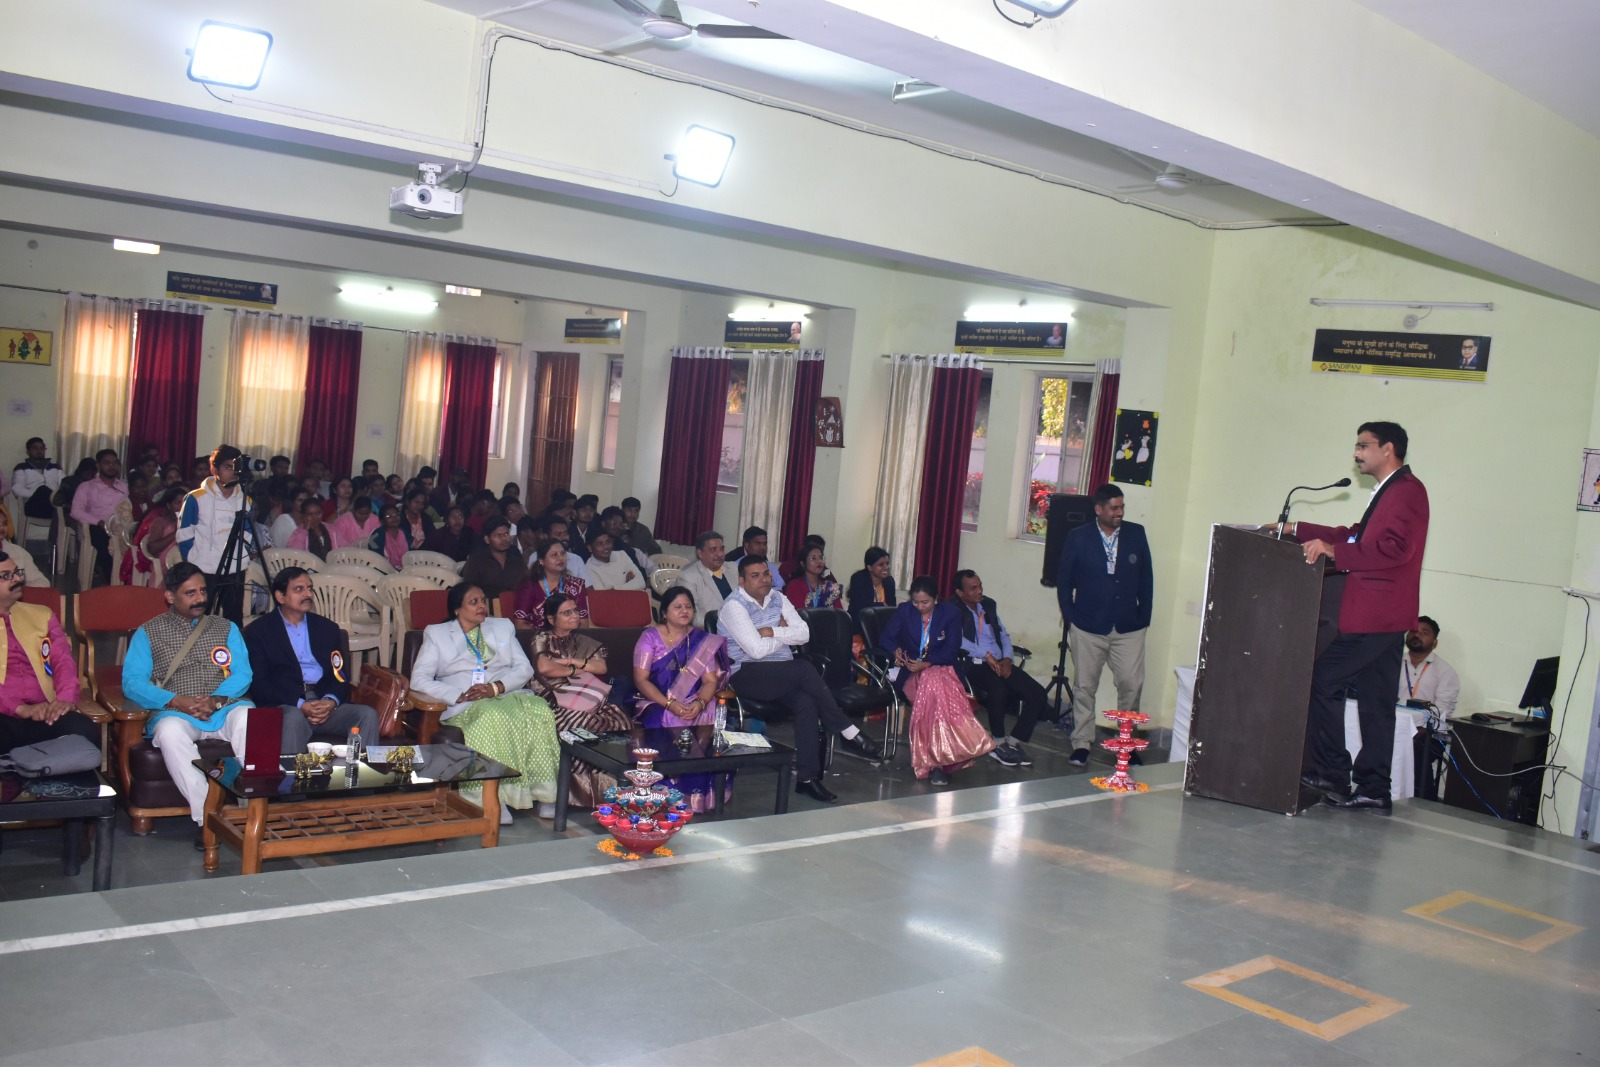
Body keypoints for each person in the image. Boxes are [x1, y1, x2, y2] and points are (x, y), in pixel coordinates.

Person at [1289, 421, 1429, 813]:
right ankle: (1374, 788)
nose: (1356, 453)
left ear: (1388, 448)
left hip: (1377, 614)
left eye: (1363, 445)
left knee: (1323, 680)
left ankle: (1333, 774)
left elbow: (1395, 548)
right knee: (1376, 704)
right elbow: (1356, 537)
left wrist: (1335, 552)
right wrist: (1297, 529)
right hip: (1384, 616)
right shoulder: (1390, 490)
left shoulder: (1407, 491)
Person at [719, 555, 883, 803]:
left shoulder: (778, 598)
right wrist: (785, 635)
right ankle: (846, 729)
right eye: (755, 576)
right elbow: (756, 651)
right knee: (805, 668)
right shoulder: (734, 606)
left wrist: (771, 631)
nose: (764, 580)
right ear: (741, 581)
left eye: (766, 574)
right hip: (746, 674)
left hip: (782, 673)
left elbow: (804, 634)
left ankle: (807, 779)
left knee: (806, 702)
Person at [409, 582, 560, 822]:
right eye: (474, 602)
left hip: (504, 693)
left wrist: (496, 687)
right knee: (493, 717)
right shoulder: (437, 634)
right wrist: (455, 694)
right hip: (466, 701)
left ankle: (544, 795)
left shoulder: (502, 627)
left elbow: (524, 668)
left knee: (539, 709)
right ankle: (493, 799)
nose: (482, 606)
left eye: (483, 600)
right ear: (457, 608)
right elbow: (419, 679)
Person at [121, 563, 253, 829]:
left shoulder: (226, 628)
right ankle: (208, 818)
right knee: (169, 732)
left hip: (223, 707)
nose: (200, 599)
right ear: (170, 596)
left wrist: (216, 700)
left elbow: (243, 673)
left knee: (250, 718)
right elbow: (132, 682)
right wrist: (174, 700)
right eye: (190, 593)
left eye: (203, 591)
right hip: (176, 711)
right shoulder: (149, 632)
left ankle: (253, 811)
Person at [1056, 483, 1153, 767]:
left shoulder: (1136, 534)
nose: (1120, 512)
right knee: (1085, 686)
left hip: (1128, 627)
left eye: (1122, 507)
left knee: (1132, 684)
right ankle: (1081, 743)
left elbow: (1146, 578)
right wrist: (1070, 615)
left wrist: (1144, 616)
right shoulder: (1078, 537)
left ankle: (1126, 744)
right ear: (1099, 509)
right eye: (1114, 508)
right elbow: (1064, 580)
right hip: (1088, 626)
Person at [243, 567, 380, 753]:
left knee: (367, 715)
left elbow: (340, 675)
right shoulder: (259, 631)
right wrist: (301, 704)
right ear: (280, 596)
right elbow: (260, 684)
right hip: (288, 704)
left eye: (309, 588)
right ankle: (291, 773)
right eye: (299, 589)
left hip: (324, 704)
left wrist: (331, 701)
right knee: (293, 718)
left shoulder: (327, 628)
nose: (307, 594)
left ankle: (362, 770)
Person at [878, 575, 993, 785]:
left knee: (933, 687)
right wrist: (896, 650)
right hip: (910, 673)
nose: (920, 607)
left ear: (936, 599)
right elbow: (886, 637)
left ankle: (935, 763)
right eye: (915, 602)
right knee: (934, 689)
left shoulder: (950, 614)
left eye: (925, 602)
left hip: (943, 669)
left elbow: (951, 650)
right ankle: (948, 756)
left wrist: (927, 664)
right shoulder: (905, 611)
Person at [631, 586, 731, 812]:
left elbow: (710, 681)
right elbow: (641, 680)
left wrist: (700, 703)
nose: (684, 611)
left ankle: (699, 794)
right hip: (656, 700)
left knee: (711, 715)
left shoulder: (701, 640)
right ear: (664, 613)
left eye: (688, 606)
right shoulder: (650, 637)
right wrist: (670, 704)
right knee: (664, 717)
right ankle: (667, 792)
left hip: (694, 700)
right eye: (678, 607)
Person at [529, 592, 633, 805]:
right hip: (553, 694)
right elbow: (545, 668)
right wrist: (576, 669)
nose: (574, 616)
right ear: (551, 619)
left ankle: (606, 791)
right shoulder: (542, 638)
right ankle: (570, 793)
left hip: (587, 693)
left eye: (575, 610)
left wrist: (572, 662)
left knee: (614, 719)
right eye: (566, 613)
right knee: (574, 722)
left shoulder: (584, 641)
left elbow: (601, 667)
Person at [0, 550, 99, 751]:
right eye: (6, 576)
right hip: (4, 714)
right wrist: (20, 709)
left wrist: (65, 699)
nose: (17, 579)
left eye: (17, 572)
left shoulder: (41, 615)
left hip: (44, 711)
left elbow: (62, 661)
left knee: (83, 731)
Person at [953, 570, 1046, 769]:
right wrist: (986, 655)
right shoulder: (953, 610)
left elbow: (1003, 635)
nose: (979, 591)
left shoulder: (988, 606)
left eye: (980, 586)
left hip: (1000, 662)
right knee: (999, 689)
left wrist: (1007, 659)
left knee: (1038, 693)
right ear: (960, 593)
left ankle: (1013, 742)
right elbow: (958, 640)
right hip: (974, 664)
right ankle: (997, 743)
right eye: (973, 588)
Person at [176, 446, 256, 623]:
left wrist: (241, 555)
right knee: (199, 616)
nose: (233, 472)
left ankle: (231, 642)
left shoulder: (245, 500)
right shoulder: (196, 498)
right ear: (214, 469)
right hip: (202, 568)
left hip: (234, 568)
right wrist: (193, 559)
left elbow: (248, 532)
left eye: (236, 468)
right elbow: (184, 534)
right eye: (227, 467)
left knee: (233, 618)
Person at [71, 448, 127, 585]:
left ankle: (131, 581)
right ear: (98, 466)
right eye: (107, 463)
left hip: (121, 527)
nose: (111, 466)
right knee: (104, 541)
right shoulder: (86, 486)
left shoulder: (124, 487)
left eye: (115, 463)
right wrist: (99, 522)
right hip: (96, 527)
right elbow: (76, 511)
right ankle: (114, 581)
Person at [514, 539, 590, 630]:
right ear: (541, 561)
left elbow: (584, 624)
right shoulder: (530, 586)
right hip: (537, 637)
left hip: (570, 636)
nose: (560, 558)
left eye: (563, 553)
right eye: (554, 555)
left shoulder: (576, 585)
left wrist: (565, 636)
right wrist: (547, 637)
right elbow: (520, 624)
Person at [121, 484, 184, 587]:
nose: (182, 506)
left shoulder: (193, 522)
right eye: (178, 503)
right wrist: (176, 532)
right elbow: (152, 549)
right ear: (169, 505)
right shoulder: (160, 521)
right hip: (166, 564)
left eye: (185, 503)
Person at [1399, 614, 1458, 718]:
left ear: (1434, 643)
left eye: (1424, 632)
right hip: (1393, 723)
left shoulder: (1445, 671)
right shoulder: (1392, 664)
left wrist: (1421, 725)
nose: (1416, 635)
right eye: (1413, 630)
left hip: (1426, 726)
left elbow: (1444, 709)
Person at [461, 517, 528, 605]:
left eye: (506, 534)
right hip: (487, 607)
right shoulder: (477, 559)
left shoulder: (514, 554)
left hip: (516, 604)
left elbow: (527, 581)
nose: (504, 539)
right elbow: (469, 589)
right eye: (498, 535)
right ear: (487, 539)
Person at [677, 530, 732, 628]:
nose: (720, 554)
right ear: (700, 553)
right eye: (713, 550)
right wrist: (724, 624)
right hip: (711, 630)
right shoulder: (688, 577)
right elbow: (690, 616)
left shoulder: (734, 569)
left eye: (722, 549)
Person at [11, 437, 63, 520]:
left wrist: (54, 496)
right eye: (35, 448)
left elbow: (64, 485)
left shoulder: (55, 467)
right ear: (28, 451)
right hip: (33, 506)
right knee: (43, 489)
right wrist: (35, 494)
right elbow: (17, 489)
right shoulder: (22, 467)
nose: (39, 451)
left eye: (42, 448)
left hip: (53, 506)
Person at [784, 543, 843, 610]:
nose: (819, 561)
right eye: (813, 558)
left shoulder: (830, 587)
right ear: (803, 563)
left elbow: (839, 613)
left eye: (821, 558)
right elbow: (796, 612)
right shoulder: (795, 585)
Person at [0, 506, 48, 587]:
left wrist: (17, 591)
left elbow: (42, 582)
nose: (2, 528)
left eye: (4, 524)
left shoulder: (19, 553)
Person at [725, 526, 785, 590]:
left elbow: (781, 586)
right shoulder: (733, 563)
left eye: (764, 544)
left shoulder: (765, 562)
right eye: (757, 543)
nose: (762, 548)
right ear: (746, 545)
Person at [847, 546, 897, 621]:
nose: (886, 567)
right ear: (869, 567)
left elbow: (892, 609)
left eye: (887, 563)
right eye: (881, 565)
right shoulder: (858, 579)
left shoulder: (889, 581)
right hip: (859, 623)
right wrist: (882, 605)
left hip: (881, 624)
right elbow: (860, 607)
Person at [286, 496, 333, 560]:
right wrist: (304, 531)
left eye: (318, 513)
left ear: (322, 512)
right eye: (310, 514)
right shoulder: (298, 533)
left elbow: (342, 549)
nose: (315, 517)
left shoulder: (331, 529)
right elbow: (294, 555)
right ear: (303, 516)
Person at [369, 504, 410, 569]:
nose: (394, 518)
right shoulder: (376, 536)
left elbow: (413, 554)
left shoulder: (405, 533)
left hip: (406, 570)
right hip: (383, 570)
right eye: (388, 516)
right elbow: (376, 559)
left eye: (396, 514)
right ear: (382, 520)